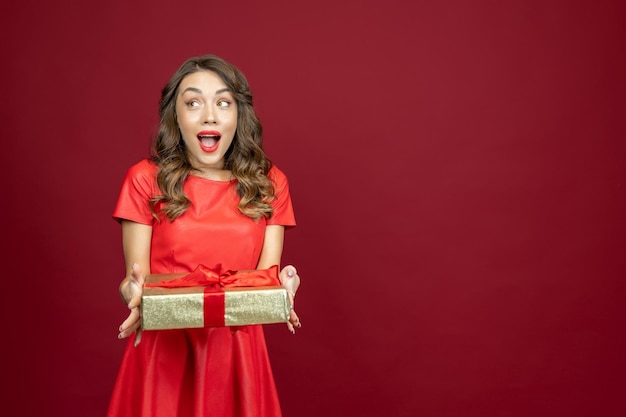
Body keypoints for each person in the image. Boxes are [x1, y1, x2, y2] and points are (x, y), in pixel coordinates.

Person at [106, 54, 301, 417]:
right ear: (175, 118)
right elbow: (134, 281)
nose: (208, 115)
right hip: (163, 356)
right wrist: (133, 293)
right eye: (192, 103)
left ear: (238, 115)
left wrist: (282, 290)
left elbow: (266, 280)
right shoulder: (145, 179)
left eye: (223, 103)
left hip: (239, 356)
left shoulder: (270, 183)